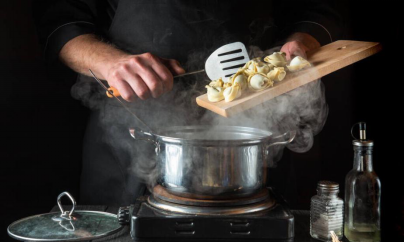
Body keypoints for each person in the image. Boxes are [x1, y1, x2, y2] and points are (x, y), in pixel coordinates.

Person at [34, 0, 342, 206]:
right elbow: (62, 21)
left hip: (253, 140)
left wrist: (304, 41)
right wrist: (112, 63)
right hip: (127, 141)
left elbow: (316, 8)